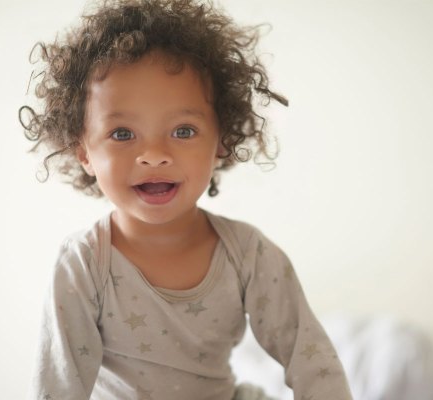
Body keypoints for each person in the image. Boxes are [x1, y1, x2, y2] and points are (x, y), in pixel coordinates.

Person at [19, 1, 353, 399]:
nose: (155, 154)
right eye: (123, 134)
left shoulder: (248, 254)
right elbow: (59, 385)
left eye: (183, 131)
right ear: (84, 152)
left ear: (222, 141)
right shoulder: (85, 264)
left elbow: (312, 361)